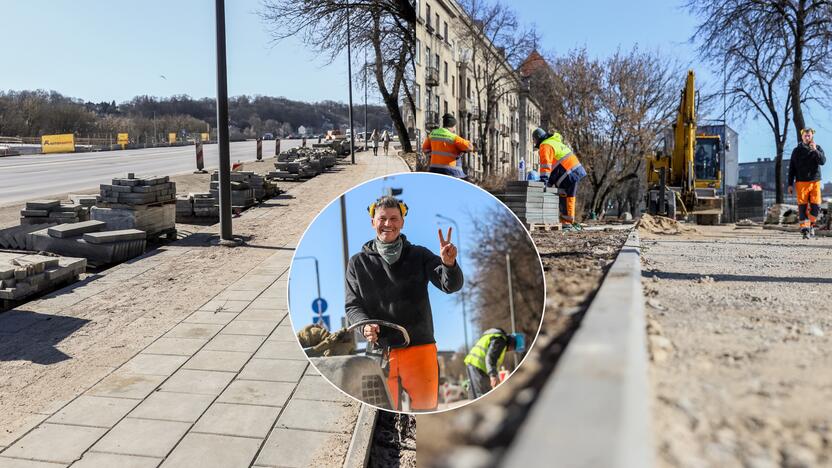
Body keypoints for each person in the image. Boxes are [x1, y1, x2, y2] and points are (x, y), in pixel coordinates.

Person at [345, 195, 464, 411]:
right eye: (382, 219)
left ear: (402, 222)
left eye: (393, 218)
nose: (388, 224)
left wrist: (449, 265)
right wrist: (364, 326)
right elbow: (352, 306)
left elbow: (450, 285)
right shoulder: (358, 263)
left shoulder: (419, 255)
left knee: (426, 412)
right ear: (373, 222)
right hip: (380, 352)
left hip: (420, 348)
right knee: (382, 418)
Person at [533, 128, 587, 230]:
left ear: (538, 138)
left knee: (568, 196)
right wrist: (549, 182)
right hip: (572, 170)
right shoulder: (554, 142)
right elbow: (555, 164)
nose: (534, 142)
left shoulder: (545, 145)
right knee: (565, 195)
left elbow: (546, 165)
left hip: (569, 172)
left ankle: (567, 223)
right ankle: (566, 221)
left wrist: (544, 181)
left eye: (534, 140)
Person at [463, 328, 526, 399]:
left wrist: (495, 375)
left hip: (474, 365)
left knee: (476, 395)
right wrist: (493, 375)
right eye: (513, 348)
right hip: (478, 366)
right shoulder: (500, 340)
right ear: (512, 343)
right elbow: (490, 357)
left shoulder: (496, 337)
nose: (510, 350)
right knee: (483, 396)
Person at [788, 128, 826, 239]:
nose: (807, 137)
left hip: (815, 181)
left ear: (812, 136)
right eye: (805, 135)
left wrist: (815, 151)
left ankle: (811, 225)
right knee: (802, 207)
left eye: (809, 135)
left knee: (816, 207)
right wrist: (790, 184)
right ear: (802, 136)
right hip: (801, 183)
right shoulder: (796, 151)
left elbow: (823, 161)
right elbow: (792, 168)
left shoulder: (817, 148)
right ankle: (805, 230)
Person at [422, 114, 473, 178]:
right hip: (451, 171)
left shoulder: (433, 133)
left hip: (434, 169)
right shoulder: (453, 137)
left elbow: (424, 148)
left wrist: (433, 156)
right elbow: (470, 147)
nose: (454, 130)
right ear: (452, 126)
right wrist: (461, 151)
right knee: (467, 179)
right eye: (454, 127)